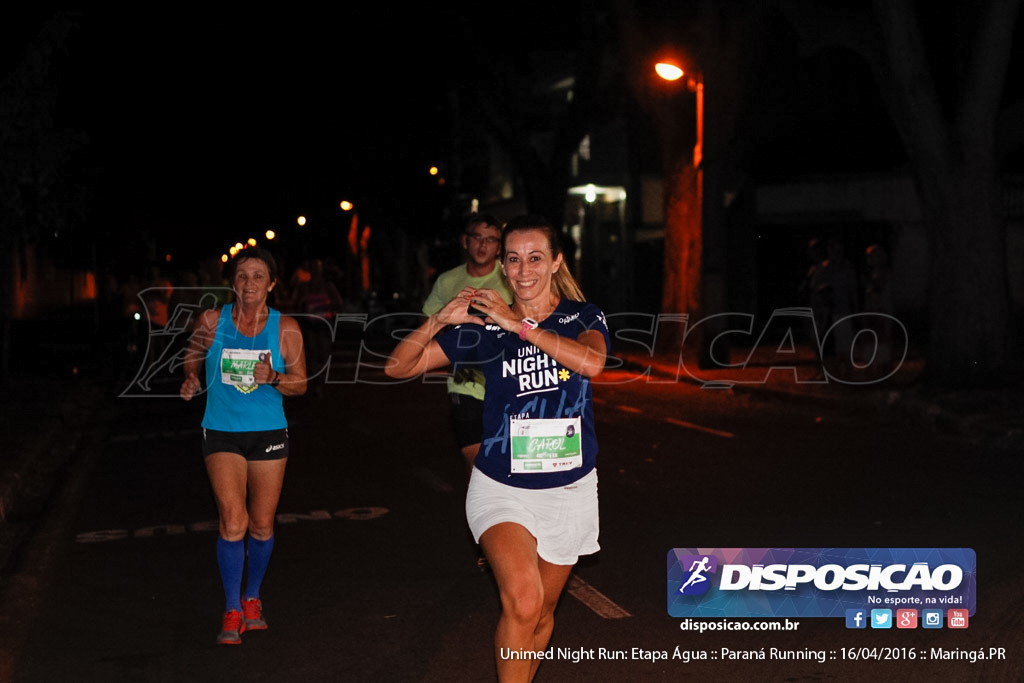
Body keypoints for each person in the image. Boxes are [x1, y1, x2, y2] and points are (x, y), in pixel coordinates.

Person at [387, 214, 609, 682]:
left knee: (542, 614)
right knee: (523, 600)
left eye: (535, 258)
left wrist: (521, 326)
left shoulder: (581, 316)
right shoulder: (485, 330)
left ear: (555, 263)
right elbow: (398, 368)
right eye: (514, 259)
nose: (524, 269)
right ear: (504, 269)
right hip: (501, 485)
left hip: (569, 488)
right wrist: (438, 320)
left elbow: (591, 363)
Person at [179, 247, 307, 645]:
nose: (248, 283)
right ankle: (232, 606)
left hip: (269, 433)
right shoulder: (212, 321)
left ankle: (254, 597)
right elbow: (193, 354)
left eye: (257, 276)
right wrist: (191, 378)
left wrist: (272, 377)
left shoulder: (285, 328)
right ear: (232, 282)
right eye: (241, 275)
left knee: (262, 524)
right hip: (221, 431)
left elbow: (301, 384)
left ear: (271, 283)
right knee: (233, 521)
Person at [422, 213, 514, 474]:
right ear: (465, 241)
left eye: (491, 239)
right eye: (477, 237)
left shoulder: (512, 278)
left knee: (511, 463)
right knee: (475, 463)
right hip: (466, 386)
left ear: (500, 246)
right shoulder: (447, 281)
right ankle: (481, 513)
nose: (483, 245)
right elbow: (429, 326)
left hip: (508, 384)